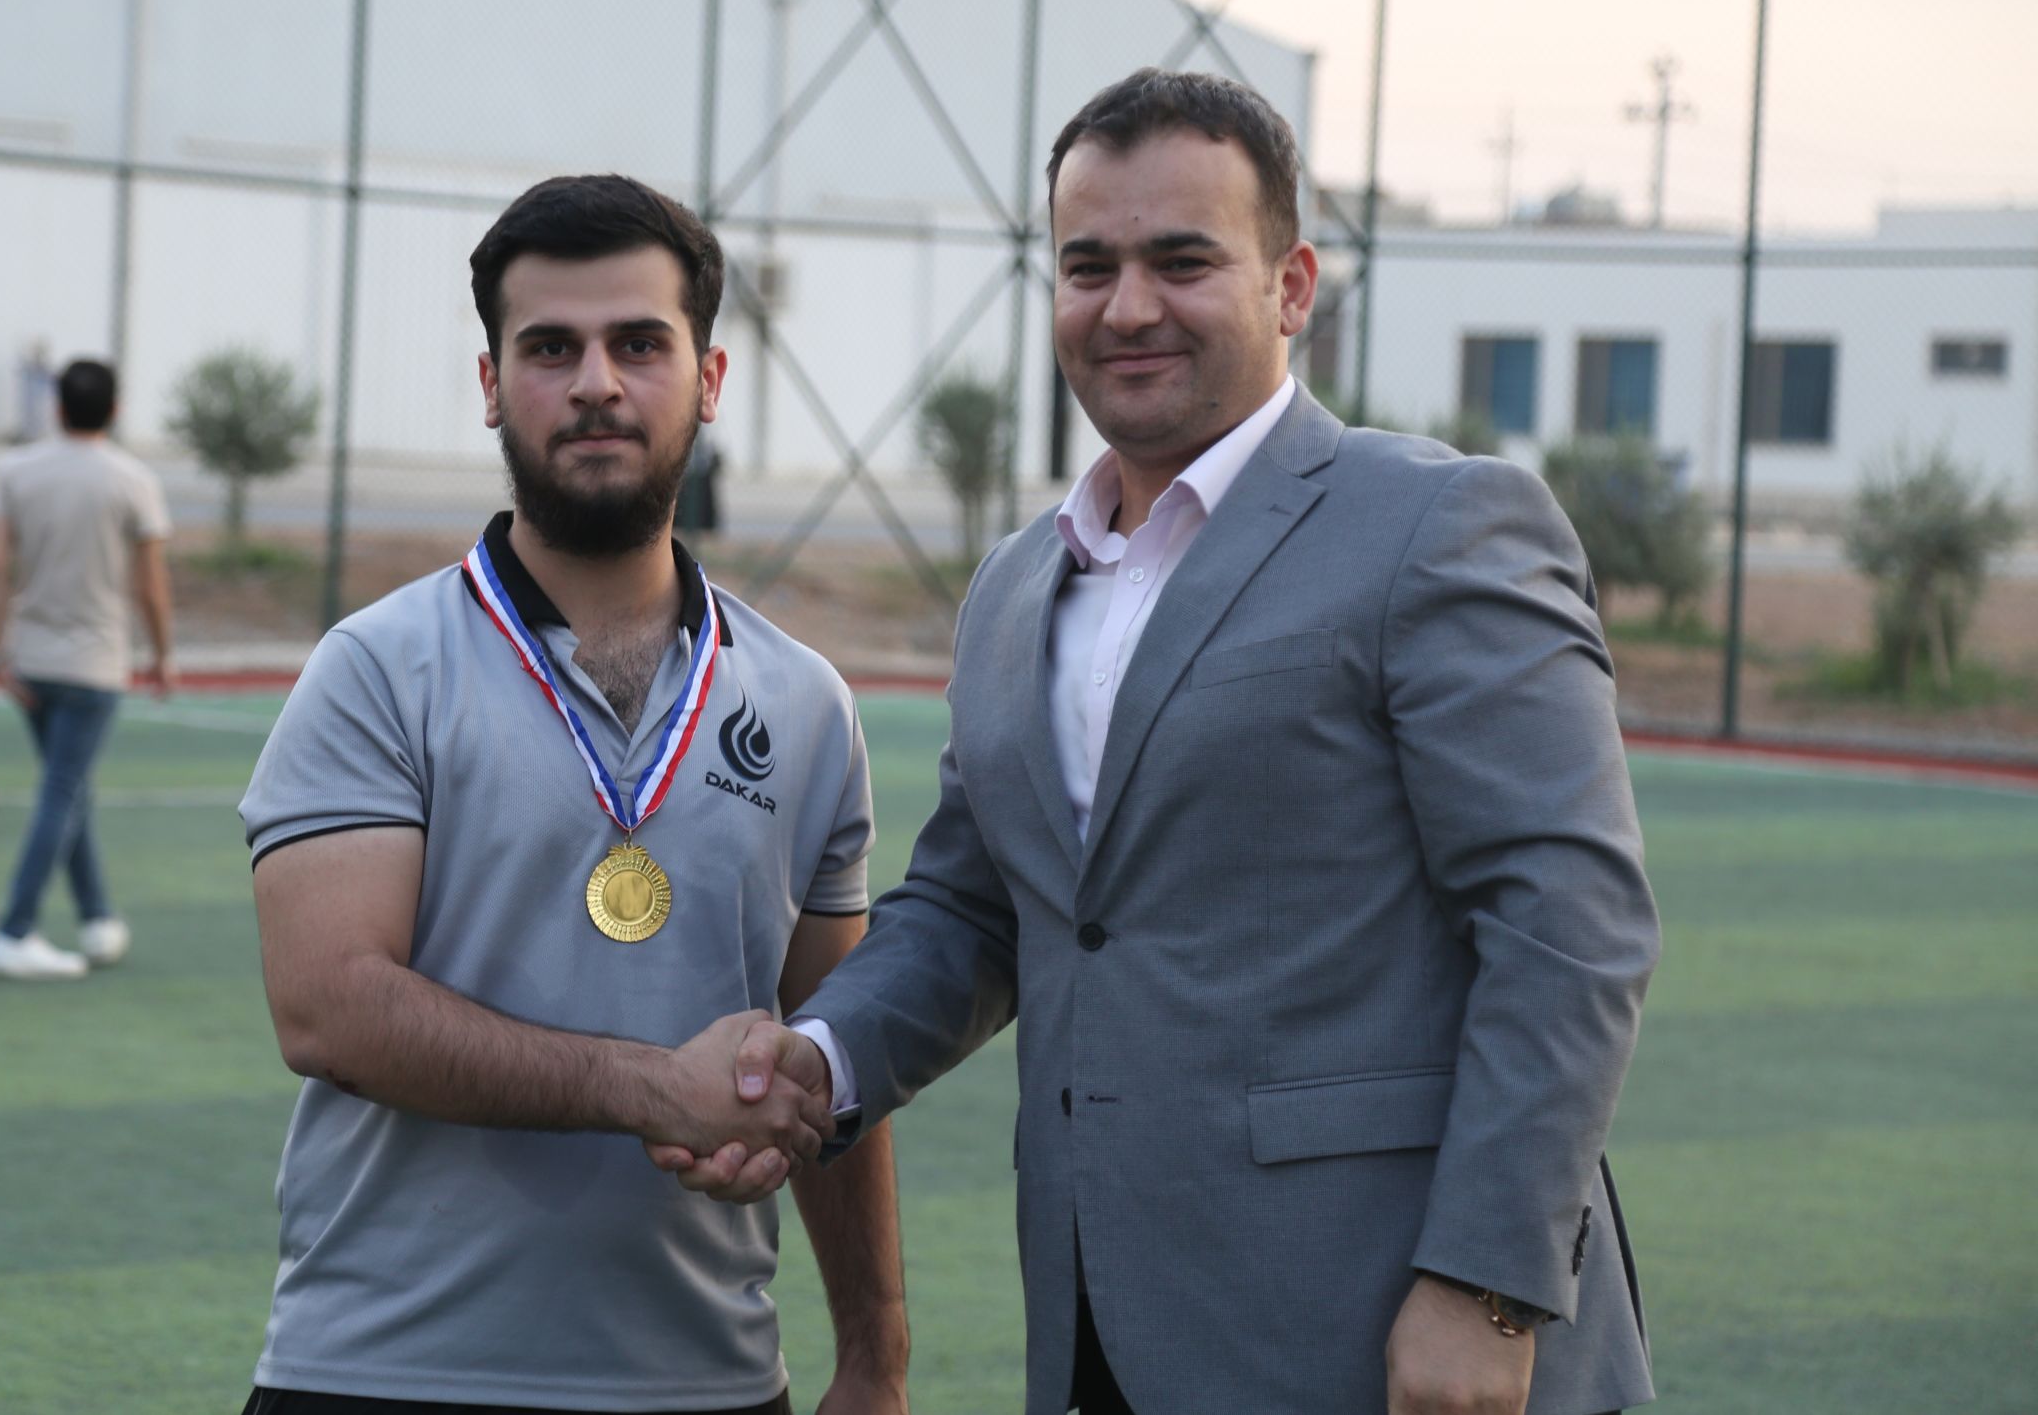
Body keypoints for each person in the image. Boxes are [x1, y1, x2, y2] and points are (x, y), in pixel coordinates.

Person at [657, 71, 1662, 1415]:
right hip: (1104, 1329)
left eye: (1182, 261)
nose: (1127, 306)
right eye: (1089, 266)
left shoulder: (1441, 524)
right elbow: (975, 909)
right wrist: (818, 1061)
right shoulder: (1016, 584)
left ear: (1292, 286)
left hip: (1396, 1333)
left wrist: (1486, 1284)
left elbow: (1569, 920)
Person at [235, 175, 907, 1415]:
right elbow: (329, 1011)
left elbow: (833, 1048)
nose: (596, 383)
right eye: (550, 348)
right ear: (492, 384)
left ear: (708, 379)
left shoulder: (807, 702)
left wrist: (875, 1352)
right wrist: (652, 1087)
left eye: (639, 344)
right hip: (386, 1376)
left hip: (708, 1379)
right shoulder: (375, 668)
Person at [0, 358, 176, 982]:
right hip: (94, 663)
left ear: (56, 407)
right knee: (63, 789)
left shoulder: (14, 470)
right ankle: (14, 930)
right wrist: (163, 654)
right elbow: (150, 584)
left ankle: (97, 918)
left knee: (69, 787)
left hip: (33, 658)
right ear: (115, 410)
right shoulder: (133, 479)